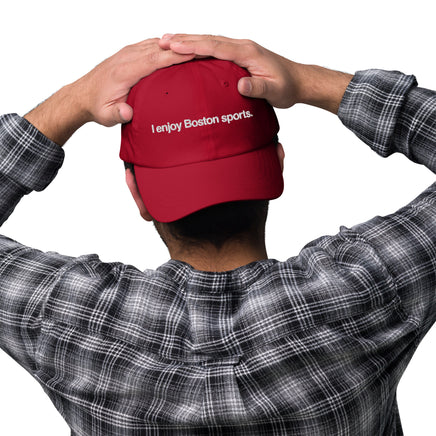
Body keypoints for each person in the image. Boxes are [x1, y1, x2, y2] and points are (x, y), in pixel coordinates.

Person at [0, 34, 434, 435]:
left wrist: (73, 101)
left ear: (138, 193)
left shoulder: (66, 320)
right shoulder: (363, 292)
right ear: (277, 166)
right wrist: (308, 82)